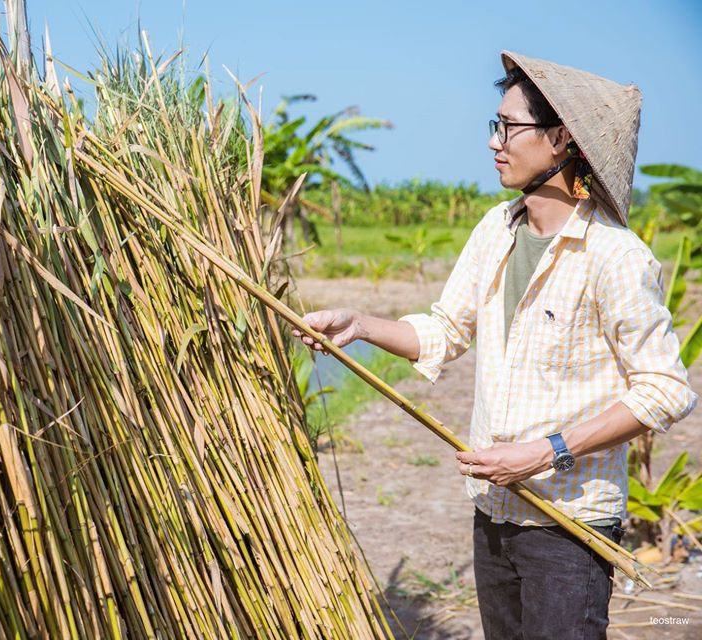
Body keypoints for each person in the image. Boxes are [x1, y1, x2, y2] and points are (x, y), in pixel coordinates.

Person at [292, 50, 698, 639]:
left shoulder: (615, 255)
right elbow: (445, 330)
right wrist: (360, 324)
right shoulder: (494, 231)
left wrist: (545, 451)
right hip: (493, 512)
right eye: (497, 125)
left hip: (567, 525)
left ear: (560, 138)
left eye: (509, 127)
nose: (495, 142)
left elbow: (665, 389)